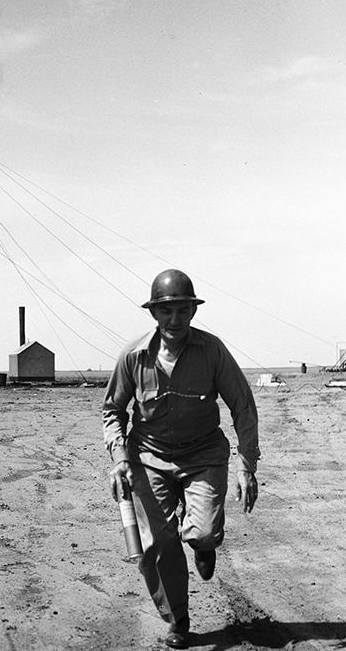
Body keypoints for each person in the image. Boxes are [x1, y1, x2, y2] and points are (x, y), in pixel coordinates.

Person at [102, 269, 260, 649]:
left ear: (193, 311)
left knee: (202, 532)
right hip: (148, 458)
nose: (175, 320)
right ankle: (178, 618)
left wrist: (246, 466)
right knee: (157, 544)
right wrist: (120, 458)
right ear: (153, 313)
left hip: (203, 455)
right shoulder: (133, 357)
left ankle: (204, 546)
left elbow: (242, 405)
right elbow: (113, 410)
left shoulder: (212, 351)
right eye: (166, 311)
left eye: (182, 311)